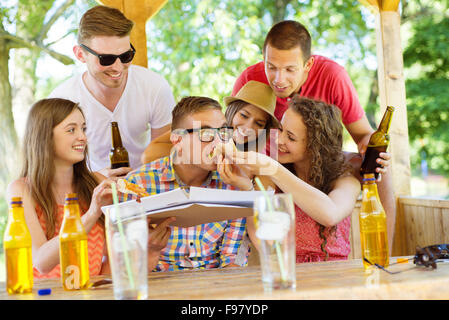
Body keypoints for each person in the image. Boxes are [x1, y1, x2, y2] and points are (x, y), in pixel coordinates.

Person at [232, 20, 396, 250]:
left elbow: (363, 135)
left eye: (290, 69)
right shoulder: (250, 79)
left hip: (318, 158)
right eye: (271, 67)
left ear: (308, 64)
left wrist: (372, 148)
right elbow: (235, 132)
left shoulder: (333, 76)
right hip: (265, 159)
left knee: (379, 164)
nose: (278, 79)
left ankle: (384, 250)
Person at [5, 98, 172, 278]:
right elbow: (41, 262)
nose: (83, 137)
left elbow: (113, 261)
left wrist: (146, 241)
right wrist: (92, 213)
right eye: (71, 130)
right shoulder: (22, 190)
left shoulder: (97, 183)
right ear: (45, 136)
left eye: (83, 128)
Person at [123, 96, 252, 271]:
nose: (218, 143)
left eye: (223, 133)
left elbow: (231, 260)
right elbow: (127, 272)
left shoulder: (232, 183)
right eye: (206, 134)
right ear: (177, 140)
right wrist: (151, 251)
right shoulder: (137, 184)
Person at [232, 96, 365, 262]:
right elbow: (263, 238)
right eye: (280, 130)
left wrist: (274, 168)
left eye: (291, 137)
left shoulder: (345, 181)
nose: (279, 140)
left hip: (335, 277)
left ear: (314, 147)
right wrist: (248, 188)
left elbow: (330, 214)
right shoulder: (268, 177)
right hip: (288, 272)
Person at [49, 5, 175, 179]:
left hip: (145, 186)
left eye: (125, 56)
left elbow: (165, 153)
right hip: (87, 190)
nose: (117, 68)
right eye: (106, 59)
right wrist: (98, 178)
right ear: (80, 54)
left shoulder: (154, 86)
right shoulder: (62, 99)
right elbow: (56, 170)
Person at [141, 80, 279, 163]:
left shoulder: (258, 158)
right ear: (232, 111)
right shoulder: (205, 125)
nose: (249, 127)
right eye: (243, 115)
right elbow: (148, 156)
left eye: (259, 123)